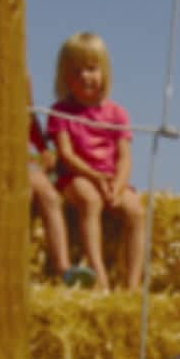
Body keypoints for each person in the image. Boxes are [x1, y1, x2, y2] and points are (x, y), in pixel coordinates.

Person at [45, 32, 146, 291]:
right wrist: (96, 177)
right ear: (65, 77)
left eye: (91, 69)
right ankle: (98, 273)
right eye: (76, 71)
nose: (84, 77)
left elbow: (124, 156)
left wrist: (119, 185)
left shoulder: (116, 113)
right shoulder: (60, 112)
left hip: (110, 178)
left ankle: (133, 284)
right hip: (76, 177)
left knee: (136, 211)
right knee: (90, 200)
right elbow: (66, 155)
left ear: (104, 72)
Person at [28, 106, 83, 285]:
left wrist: (43, 148)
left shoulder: (22, 79)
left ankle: (64, 268)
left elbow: (29, 115)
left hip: (26, 161)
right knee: (24, 196)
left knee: (50, 197)